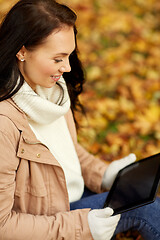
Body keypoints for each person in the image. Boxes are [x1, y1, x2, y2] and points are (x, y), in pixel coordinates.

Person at [0, 0, 159, 239]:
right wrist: (81, 228)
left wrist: (105, 175)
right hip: (45, 222)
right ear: (22, 51)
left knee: (139, 195)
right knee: (148, 208)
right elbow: (3, 225)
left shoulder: (52, 91)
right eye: (58, 59)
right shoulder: (5, 124)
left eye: (69, 56)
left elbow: (66, 153)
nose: (66, 67)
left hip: (70, 197)